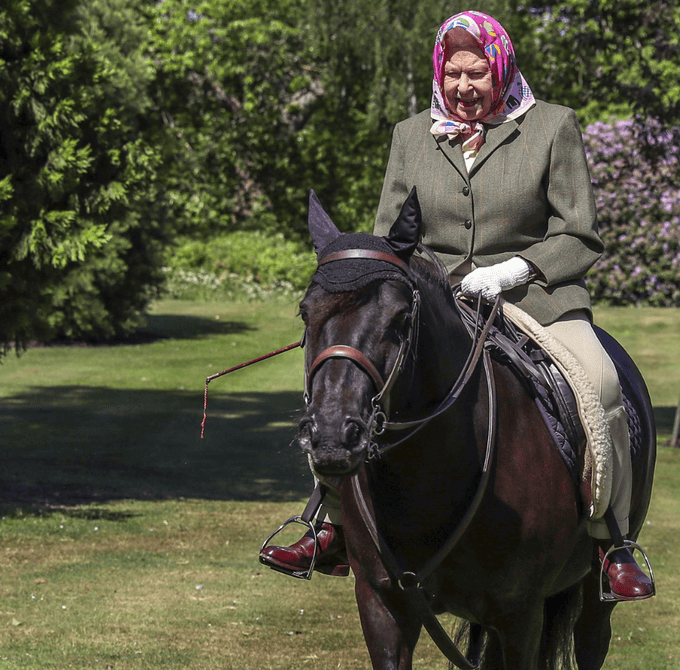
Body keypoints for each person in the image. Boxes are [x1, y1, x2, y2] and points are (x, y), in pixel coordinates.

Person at [261, 10, 653, 601]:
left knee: (600, 382)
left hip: (535, 297)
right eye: (453, 74)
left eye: (477, 73)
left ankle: (611, 540)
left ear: (502, 68)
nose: (464, 87)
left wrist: (515, 270)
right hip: (435, 300)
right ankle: (331, 523)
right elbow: (391, 237)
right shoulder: (410, 134)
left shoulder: (552, 127)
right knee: (349, 379)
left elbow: (580, 234)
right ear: (439, 74)